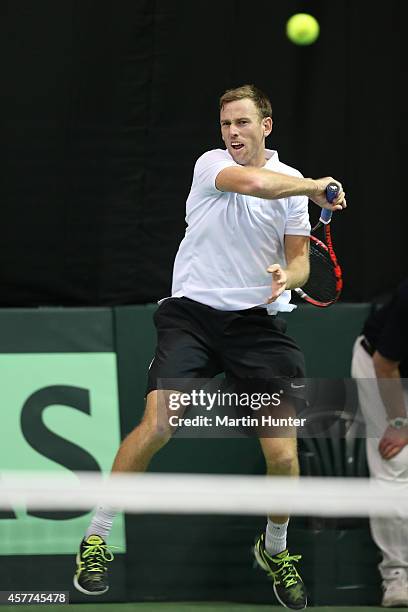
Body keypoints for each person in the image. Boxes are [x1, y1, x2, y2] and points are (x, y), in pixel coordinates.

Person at [73, 84, 346, 610]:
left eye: (243, 123)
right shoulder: (212, 166)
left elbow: (301, 262)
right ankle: (97, 536)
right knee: (158, 423)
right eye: (226, 125)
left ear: (266, 126)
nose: (233, 134)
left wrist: (283, 276)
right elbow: (255, 184)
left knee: (284, 454)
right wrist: (311, 186)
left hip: (257, 326)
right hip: (191, 318)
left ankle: (275, 549)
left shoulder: (292, 187)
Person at [351, 278, 408, 608]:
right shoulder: (407, 298)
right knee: (395, 464)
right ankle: (396, 576)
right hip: (381, 367)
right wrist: (399, 424)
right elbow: (385, 366)